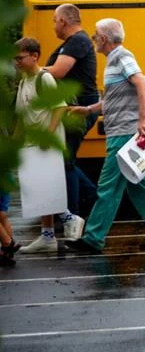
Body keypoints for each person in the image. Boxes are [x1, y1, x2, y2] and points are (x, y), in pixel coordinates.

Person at [66, 19, 145, 254]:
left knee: (108, 187)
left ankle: (93, 238)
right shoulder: (113, 61)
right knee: (140, 185)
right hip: (123, 132)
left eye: (96, 36)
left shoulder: (121, 57)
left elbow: (142, 84)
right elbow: (112, 99)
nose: (93, 40)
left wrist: (143, 118)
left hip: (123, 134)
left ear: (104, 39)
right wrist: (88, 110)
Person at [13, 38, 86, 253]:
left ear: (34, 56)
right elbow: (21, 116)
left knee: (44, 187)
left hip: (46, 143)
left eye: (20, 58)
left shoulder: (44, 78)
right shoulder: (24, 82)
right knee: (39, 188)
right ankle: (47, 236)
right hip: (31, 144)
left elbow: (59, 108)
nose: (17, 62)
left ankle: (70, 218)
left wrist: (48, 134)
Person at [45, 4, 99, 218]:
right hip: (75, 107)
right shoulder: (74, 42)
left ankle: (75, 214)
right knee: (65, 160)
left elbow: (58, 71)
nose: (53, 26)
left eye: (54, 21)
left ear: (63, 21)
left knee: (65, 160)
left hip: (79, 108)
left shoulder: (77, 41)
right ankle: (94, 202)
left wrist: (33, 69)